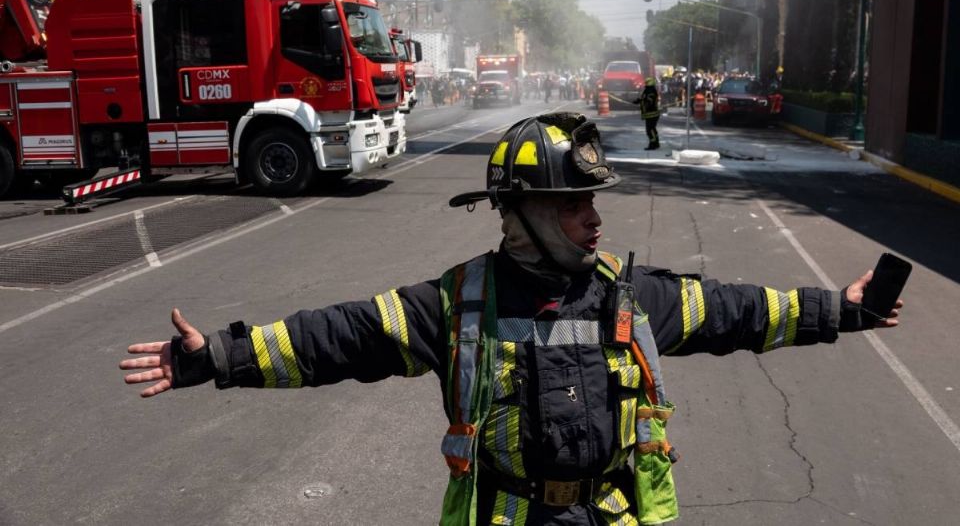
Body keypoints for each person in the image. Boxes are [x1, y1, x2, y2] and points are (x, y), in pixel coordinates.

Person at [121, 113, 902, 526]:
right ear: (517, 214)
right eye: (572, 204)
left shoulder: (632, 297)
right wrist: (219, 357)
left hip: (612, 516)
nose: (593, 219)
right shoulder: (456, 306)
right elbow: (340, 337)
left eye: (592, 201)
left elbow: (737, 311)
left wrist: (845, 309)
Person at [635, 77, 660, 150]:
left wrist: (642, 101)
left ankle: (652, 145)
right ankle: (656, 143)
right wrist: (639, 101)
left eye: (646, 82)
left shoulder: (650, 91)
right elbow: (645, 99)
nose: (645, 84)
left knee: (650, 130)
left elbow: (649, 101)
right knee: (652, 129)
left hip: (651, 114)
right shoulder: (649, 90)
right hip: (651, 114)